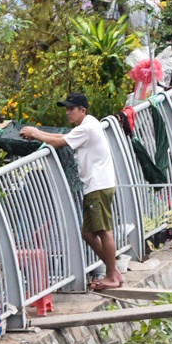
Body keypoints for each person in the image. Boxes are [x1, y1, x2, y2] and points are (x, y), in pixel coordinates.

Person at [22, 93, 124, 290]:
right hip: (96, 185)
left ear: (82, 110)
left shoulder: (86, 127)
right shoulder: (88, 124)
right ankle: (115, 271)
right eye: (67, 108)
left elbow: (60, 143)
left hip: (98, 186)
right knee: (87, 233)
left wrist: (36, 134)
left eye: (71, 108)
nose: (68, 112)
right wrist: (38, 133)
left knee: (104, 231)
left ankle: (112, 275)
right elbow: (62, 137)